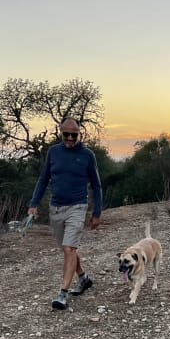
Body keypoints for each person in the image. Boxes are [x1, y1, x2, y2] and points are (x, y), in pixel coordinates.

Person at [28, 116, 102, 310]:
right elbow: (43, 180)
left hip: (78, 206)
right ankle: (84, 278)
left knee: (69, 248)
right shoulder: (53, 152)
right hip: (56, 208)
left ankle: (62, 294)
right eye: (66, 134)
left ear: (79, 134)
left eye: (73, 134)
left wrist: (97, 213)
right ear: (60, 133)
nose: (70, 138)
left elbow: (96, 185)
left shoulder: (88, 155)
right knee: (68, 248)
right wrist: (34, 203)